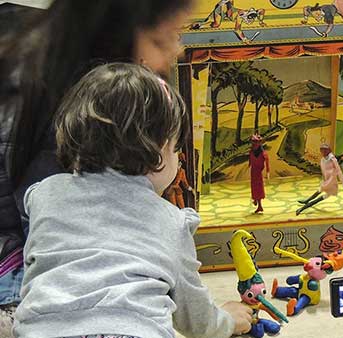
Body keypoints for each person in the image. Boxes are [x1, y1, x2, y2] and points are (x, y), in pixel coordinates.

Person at [14, 63, 253, 338]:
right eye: (176, 147)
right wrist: (227, 321)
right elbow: (196, 320)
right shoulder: (172, 221)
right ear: (160, 152)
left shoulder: (43, 196)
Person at [0, 0, 193, 333]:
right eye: (163, 40)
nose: (175, 52)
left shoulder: (44, 57)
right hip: (18, 277)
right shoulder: (84, 113)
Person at [296, 143, 343, 215]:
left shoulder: (332, 159)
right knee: (319, 191)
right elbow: (323, 170)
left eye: (324, 151)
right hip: (326, 180)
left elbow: (338, 170)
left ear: (328, 151)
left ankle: (302, 208)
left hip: (331, 183)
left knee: (321, 197)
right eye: (321, 151)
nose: (322, 153)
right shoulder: (323, 159)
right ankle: (307, 201)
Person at [249, 133, 270, 214]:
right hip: (253, 172)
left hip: (258, 173)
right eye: (253, 142)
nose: (253, 144)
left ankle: (259, 204)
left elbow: (267, 163)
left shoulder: (263, 153)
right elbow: (250, 161)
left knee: (258, 188)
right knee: (254, 187)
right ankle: (256, 201)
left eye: (255, 142)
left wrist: (267, 172)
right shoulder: (251, 152)